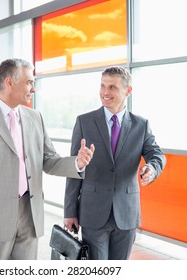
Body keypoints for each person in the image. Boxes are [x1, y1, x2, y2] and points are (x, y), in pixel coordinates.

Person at [0, 58, 95, 260]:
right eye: (29, 82)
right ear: (9, 82)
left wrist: (77, 163)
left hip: (29, 217)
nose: (33, 89)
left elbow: (49, 160)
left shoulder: (35, 117)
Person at [64, 66, 166, 260]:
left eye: (112, 87)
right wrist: (70, 211)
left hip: (126, 213)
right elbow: (73, 169)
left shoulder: (141, 125)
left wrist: (151, 168)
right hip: (93, 212)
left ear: (128, 91)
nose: (105, 92)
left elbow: (157, 155)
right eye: (102, 85)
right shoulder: (84, 122)